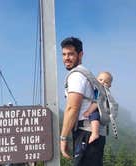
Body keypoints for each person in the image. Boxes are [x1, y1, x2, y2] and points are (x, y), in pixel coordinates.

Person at [60, 37, 107, 166]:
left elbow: (72, 108)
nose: (66, 58)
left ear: (80, 54)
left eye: (71, 54)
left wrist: (63, 138)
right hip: (92, 132)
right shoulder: (86, 74)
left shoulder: (76, 76)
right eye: (64, 54)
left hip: (86, 133)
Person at [83, 72, 113, 144]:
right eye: (100, 80)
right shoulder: (97, 89)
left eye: (106, 82)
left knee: (94, 116)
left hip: (98, 109)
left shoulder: (101, 91)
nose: (102, 82)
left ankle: (95, 133)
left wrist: (88, 111)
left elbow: (97, 102)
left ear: (109, 85)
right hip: (100, 109)